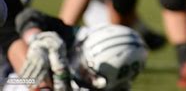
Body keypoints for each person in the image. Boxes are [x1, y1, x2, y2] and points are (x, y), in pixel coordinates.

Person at [12, 7, 147, 90]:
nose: (84, 75)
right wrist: (36, 39)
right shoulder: (76, 37)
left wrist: (61, 75)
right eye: (86, 71)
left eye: (89, 75)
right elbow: (28, 16)